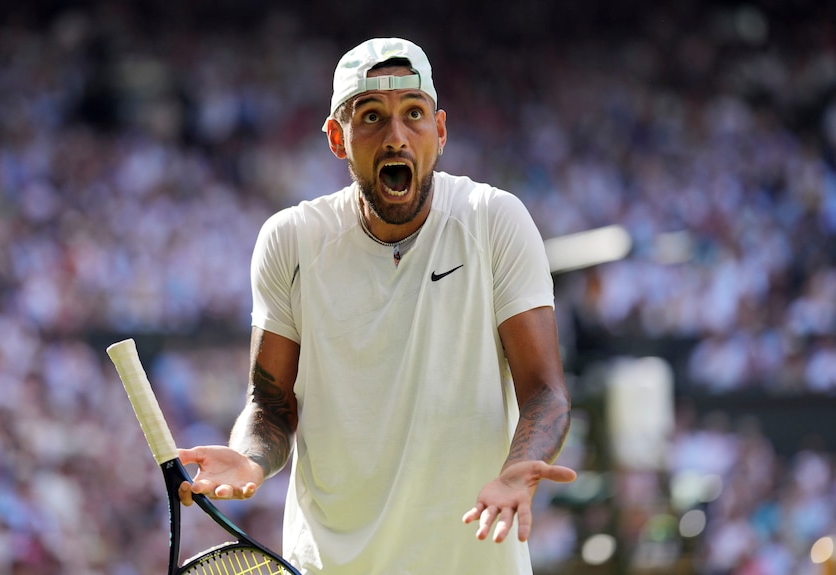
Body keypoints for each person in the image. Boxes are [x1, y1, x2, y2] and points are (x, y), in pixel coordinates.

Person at [177, 37, 577, 574]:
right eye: (371, 117)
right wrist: (250, 458)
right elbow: (269, 404)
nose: (396, 137)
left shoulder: (493, 220)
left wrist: (517, 471)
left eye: (413, 114)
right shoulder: (290, 240)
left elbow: (546, 393)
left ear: (439, 131)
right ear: (338, 138)